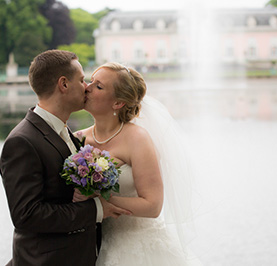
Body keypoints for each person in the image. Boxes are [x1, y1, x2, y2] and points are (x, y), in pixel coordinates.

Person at [0, 50, 130, 266]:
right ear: (64, 84)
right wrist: (96, 210)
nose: (86, 86)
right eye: (81, 80)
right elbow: (27, 215)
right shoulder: (22, 141)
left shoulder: (70, 134)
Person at [74, 62, 201, 266]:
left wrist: (103, 200)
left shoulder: (137, 139)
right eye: (90, 81)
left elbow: (153, 206)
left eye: (98, 86)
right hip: (95, 246)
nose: (87, 87)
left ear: (117, 103)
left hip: (138, 246)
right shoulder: (78, 138)